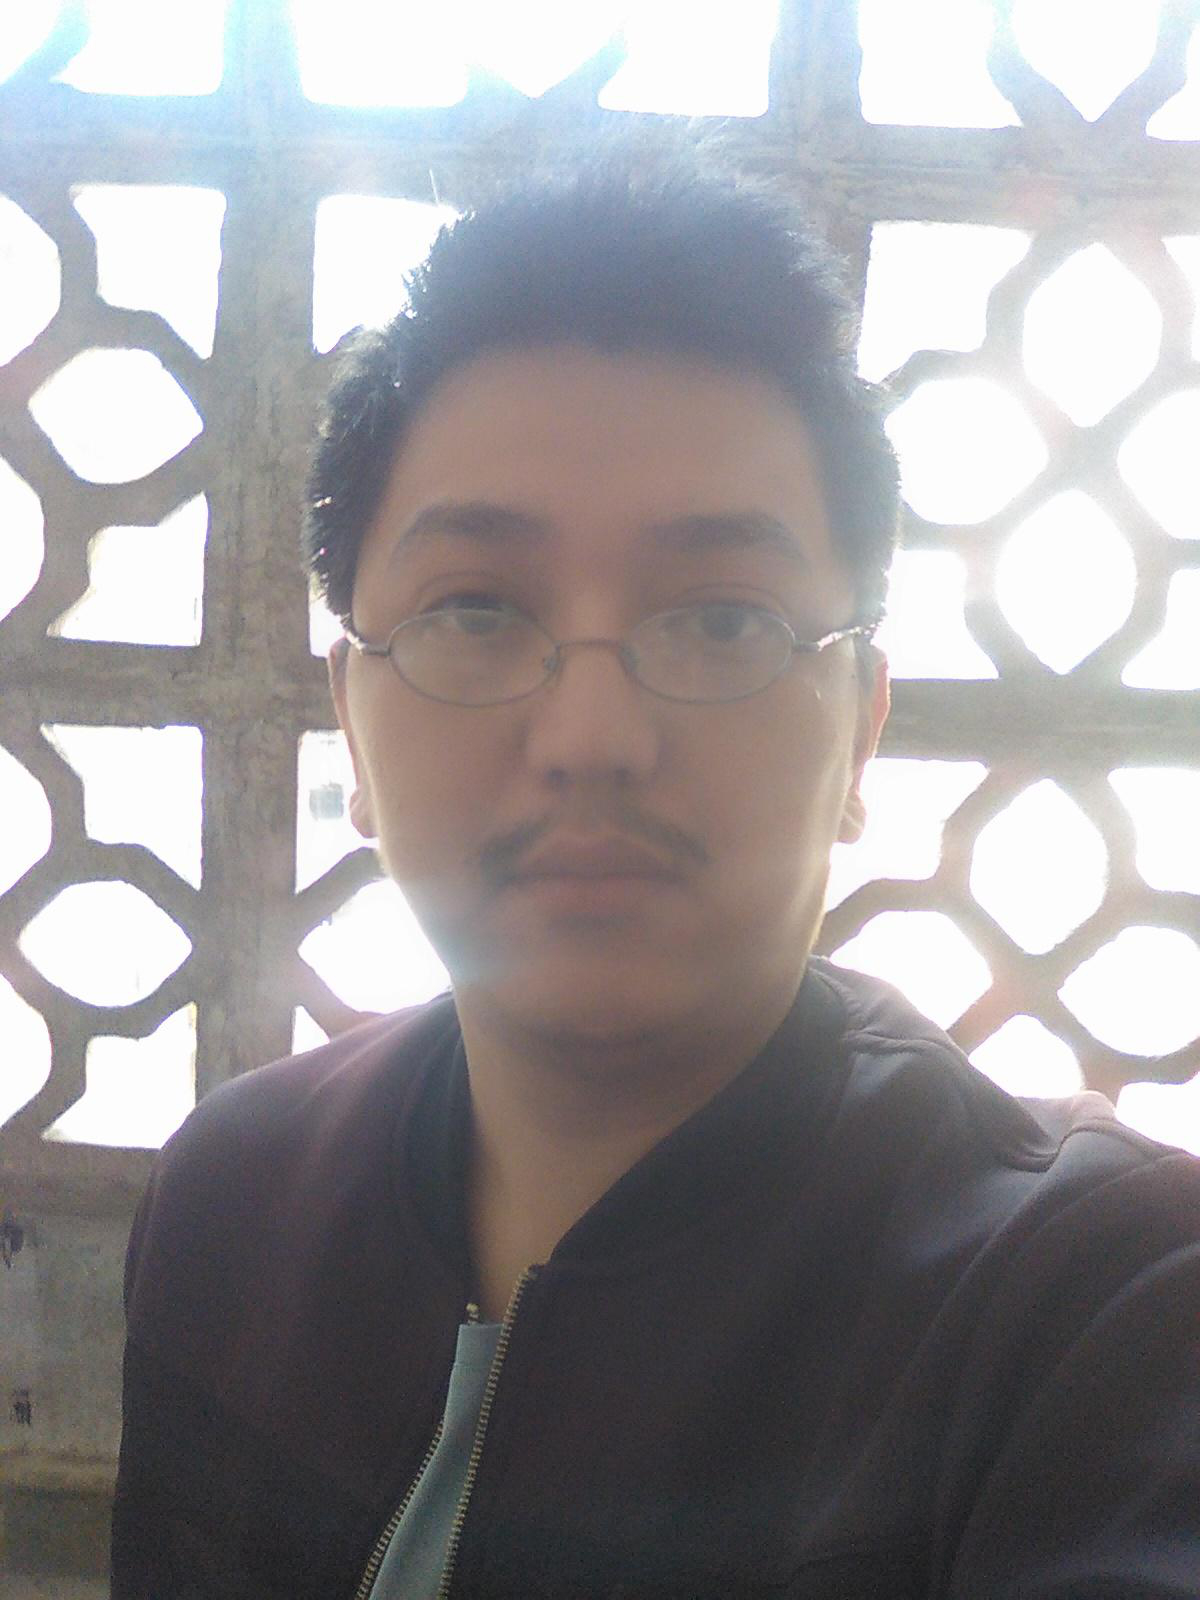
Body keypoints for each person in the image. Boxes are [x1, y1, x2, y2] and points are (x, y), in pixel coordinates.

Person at [111, 147, 1200, 1600]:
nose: (593, 737)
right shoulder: (232, 1202)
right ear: (353, 727)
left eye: (725, 620)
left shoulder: (1097, 1308)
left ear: (861, 730)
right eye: (476, 609)